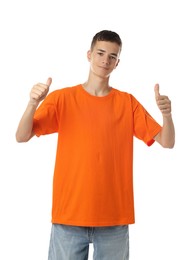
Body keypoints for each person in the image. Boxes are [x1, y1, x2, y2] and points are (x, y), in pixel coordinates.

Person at [16, 30, 175, 260]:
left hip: (114, 219)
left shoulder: (127, 102)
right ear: (89, 55)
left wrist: (167, 115)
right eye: (100, 53)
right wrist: (32, 103)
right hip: (69, 217)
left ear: (117, 63)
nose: (105, 60)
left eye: (112, 56)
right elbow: (22, 136)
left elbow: (167, 142)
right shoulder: (63, 99)